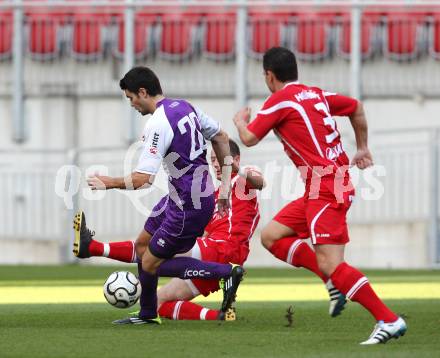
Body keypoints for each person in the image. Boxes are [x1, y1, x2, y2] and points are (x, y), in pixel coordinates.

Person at [232, 47, 406, 345]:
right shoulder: (314, 94)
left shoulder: (279, 100)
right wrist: (362, 146)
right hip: (322, 186)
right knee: (272, 237)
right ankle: (331, 281)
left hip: (326, 187)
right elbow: (356, 106)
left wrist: (239, 121)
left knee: (332, 263)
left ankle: (388, 319)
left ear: (269, 76)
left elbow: (248, 139)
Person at [73, 66, 244, 325]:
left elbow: (144, 179)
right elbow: (221, 137)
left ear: (143, 92)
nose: (130, 103)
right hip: (187, 197)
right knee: (143, 247)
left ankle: (224, 273)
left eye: (131, 97)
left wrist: (108, 183)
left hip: (188, 204)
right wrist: (225, 189)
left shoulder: (158, 123)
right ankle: (147, 313)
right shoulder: (186, 108)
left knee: (151, 263)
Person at [157, 139, 264, 321]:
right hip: (210, 257)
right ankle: (221, 315)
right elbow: (203, 234)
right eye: (212, 159)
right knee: (157, 302)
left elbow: (260, 182)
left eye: (219, 158)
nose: (215, 163)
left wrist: (235, 168)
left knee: (158, 249)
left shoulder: (242, 181)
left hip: (226, 248)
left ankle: (100, 250)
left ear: (236, 159)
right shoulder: (214, 196)